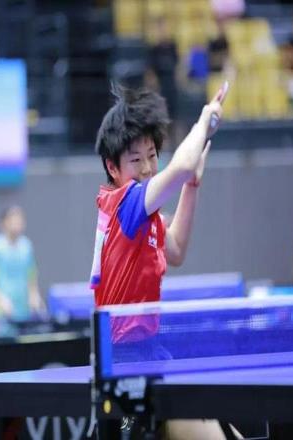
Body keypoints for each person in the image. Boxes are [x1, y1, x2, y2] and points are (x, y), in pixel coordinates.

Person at [90, 84, 228, 439]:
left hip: (150, 352)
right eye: (136, 160)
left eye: (152, 156)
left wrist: (191, 186)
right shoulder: (127, 202)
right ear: (113, 167)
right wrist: (203, 123)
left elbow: (176, 249)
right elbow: (181, 165)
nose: (148, 168)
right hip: (123, 361)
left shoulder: (146, 216)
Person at [0, 205, 45, 321]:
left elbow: (32, 277)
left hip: (24, 311)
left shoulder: (26, 246)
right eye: (13, 219)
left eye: (20, 219)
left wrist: (34, 296)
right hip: (3, 313)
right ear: (4, 223)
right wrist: (1, 301)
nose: (17, 223)